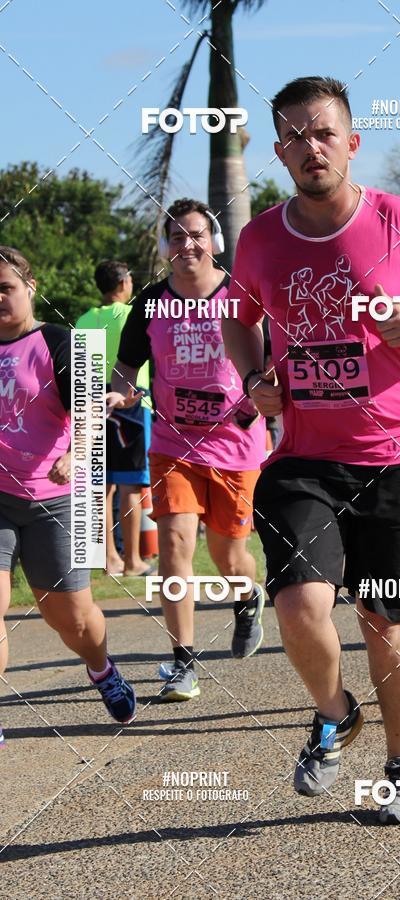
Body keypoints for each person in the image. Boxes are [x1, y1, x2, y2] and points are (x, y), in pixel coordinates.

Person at [222, 76, 400, 824]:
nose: (310, 148)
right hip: (303, 457)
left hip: (396, 454)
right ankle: (335, 712)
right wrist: (253, 377)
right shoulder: (260, 237)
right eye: (294, 137)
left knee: (384, 618)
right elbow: (237, 317)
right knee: (300, 603)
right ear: (279, 152)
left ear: (351, 143)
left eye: (323, 133)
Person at [107, 199, 266, 703]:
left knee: (227, 554)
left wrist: (262, 403)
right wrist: (117, 394)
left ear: (213, 241)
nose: (187, 244)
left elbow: (269, 363)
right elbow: (125, 369)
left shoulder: (240, 295)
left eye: (196, 234)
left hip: (236, 443)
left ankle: (247, 597)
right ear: (165, 246)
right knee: (175, 543)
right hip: (173, 443)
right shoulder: (151, 303)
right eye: (176, 236)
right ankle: (183, 662)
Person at [0, 246, 136, 747]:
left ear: (30, 288)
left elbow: (91, 411)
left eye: (5, 288)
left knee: (72, 620)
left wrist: (76, 453)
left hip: (56, 499)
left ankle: (101, 668)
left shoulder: (61, 342)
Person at [76, 260, 153, 577]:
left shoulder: (83, 319)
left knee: (100, 484)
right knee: (130, 483)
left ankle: (109, 559)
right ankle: (133, 560)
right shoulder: (131, 314)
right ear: (123, 283)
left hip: (91, 398)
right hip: (130, 399)